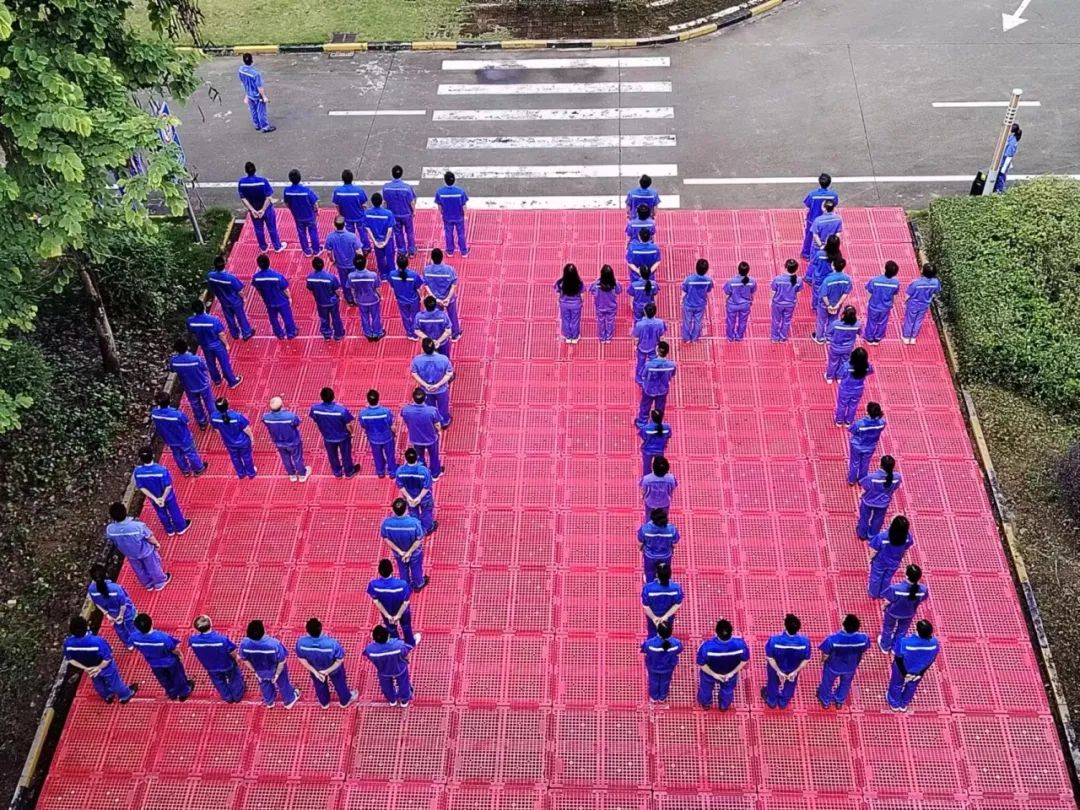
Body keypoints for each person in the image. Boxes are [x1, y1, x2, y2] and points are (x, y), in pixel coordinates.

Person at [63, 615, 137, 704]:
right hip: (104, 666)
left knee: (98, 683)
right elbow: (107, 658)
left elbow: (70, 659)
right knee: (114, 682)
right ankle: (125, 695)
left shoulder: (68, 643)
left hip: (89, 667)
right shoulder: (97, 641)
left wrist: (86, 668)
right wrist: (98, 668)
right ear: (86, 627)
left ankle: (107, 696)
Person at [105, 501, 170, 590]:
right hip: (145, 551)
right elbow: (149, 536)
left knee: (139, 570)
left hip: (129, 554)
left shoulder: (110, 529)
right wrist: (156, 543)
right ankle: (160, 582)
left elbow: (112, 540)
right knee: (153, 566)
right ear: (125, 512)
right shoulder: (138, 526)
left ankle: (148, 584)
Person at [130, 613, 194, 701]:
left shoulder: (134, 637)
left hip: (154, 663)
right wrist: (180, 654)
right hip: (170, 662)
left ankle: (172, 693)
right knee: (178, 676)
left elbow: (136, 646)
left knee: (164, 679)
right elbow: (173, 648)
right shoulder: (162, 637)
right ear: (151, 622)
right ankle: (184, 692)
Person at [295, 618, 357, 709]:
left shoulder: (301, 643)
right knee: (340, 684)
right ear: (321, 629)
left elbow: (301, 658)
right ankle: (345, 701)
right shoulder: (332, 644)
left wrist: (315, 672)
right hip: (333, 669)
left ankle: (324, 703)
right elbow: (339, 660)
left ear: (307, 632)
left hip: (315, 669)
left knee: (319, 685)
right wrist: (327, 671)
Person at [239, 620, 300, 709]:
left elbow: (244, 659)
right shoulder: (274, 644)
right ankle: (289, 700)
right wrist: (277, 674)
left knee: (264, 684)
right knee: (283, 683)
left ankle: (269, 702)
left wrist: (255, 671)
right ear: (264, 630)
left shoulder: (244, 644)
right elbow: (282, 660)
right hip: (275, 669)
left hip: (260, 670)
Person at [133, 446, 190, 536]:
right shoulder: (161, 470)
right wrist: (163, 498)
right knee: (174, 510)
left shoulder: (138, 472)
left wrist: (155, 499)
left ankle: (169, 530)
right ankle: (181, 527)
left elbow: (142, 487)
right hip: (168, 496)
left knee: (161, 513)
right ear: (153, 455)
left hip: (154, 498)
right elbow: (168, 486)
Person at [188, 614, 246, 703]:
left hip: (210, 666)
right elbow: (231, 651)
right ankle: (237, 695)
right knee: (234, 678)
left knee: (218, 681)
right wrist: (236, 658)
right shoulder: (221, 639)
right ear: (211, 624)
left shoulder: (193, 640)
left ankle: (227, 697)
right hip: (227, 664)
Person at [816, 614, 869, 709]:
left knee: (827, 683)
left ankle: (825, 701)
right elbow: (863, 653)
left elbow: (825, 655)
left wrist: (822, 661)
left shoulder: (832, 639)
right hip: (850, 667)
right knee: (845, 684)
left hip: (833, 666)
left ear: (843, 625)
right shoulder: (863, 639)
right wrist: (856, 663)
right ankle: (839, 701)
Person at [697, 619, 750, 711]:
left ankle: (706, 704)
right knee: (727, 691)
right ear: (731, 631)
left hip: (709, 674)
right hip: (729, 674)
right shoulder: (741, 644)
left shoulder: (707, 647)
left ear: (716, 632)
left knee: (706, 689)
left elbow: (702, 664)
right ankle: (724, 706)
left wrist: (714, 675)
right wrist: (732, 673)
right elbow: (744, 660)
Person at [887, 619, 940, 711]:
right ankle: (904, 704)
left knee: (896, 684)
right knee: (912, 686)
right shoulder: (935, 644)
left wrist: (905, 674)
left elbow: (898, 658)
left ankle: (894, 703)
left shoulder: (904, 642)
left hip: (902, 669)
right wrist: (921, 673)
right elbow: (931, 660)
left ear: (917, 630)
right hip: (918, 670)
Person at [187, 300, 241, 388]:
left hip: (205, 345)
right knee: (224, 363)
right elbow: (221, 334)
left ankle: (217, 380)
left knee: (210, 363)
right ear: (204, 307)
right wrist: (226, 344)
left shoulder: (190, 321)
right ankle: (232, 381)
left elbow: (192, 333)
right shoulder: (213, 320)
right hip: (217, 344)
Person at [761, 613, 811, 710]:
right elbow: (806, 659)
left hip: (776, 667)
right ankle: (783, 703)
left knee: (773, 683)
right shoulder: (805, 642)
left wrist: (778, 671)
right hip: (793, 668)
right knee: (791, 684)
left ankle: (772, 701)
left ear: (785, 626)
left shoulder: (774, 640)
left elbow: (770, 658)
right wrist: (795, 672)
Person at [151, 391, 207, 476]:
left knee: (177, 454)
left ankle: (185, 471)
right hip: (183, 438)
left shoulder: (155, 413)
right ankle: (199, 468)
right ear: (169, 401)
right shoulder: (176, 414)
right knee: (190, 453)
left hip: (170, 439)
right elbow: (185, 420)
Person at [368, 558, 420, 648]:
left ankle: (397, 645)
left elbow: (376, 601)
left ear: (379, 572)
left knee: (391, 629)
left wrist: (387, 615)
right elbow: (405, 602)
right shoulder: (402, 584)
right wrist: (398, 615)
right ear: (392, 571)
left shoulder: (373, 585)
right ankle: (410, 643)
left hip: (387, 610)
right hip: (403, 611)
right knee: (406, 626)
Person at [309, 387, 358, 479]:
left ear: (321, 397)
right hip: (343, 437)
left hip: (327, 437)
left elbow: (315, 419)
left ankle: (337, 473)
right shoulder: (341, 410)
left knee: (332, 455)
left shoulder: (315, 409)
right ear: (333, 396)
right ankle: (349, 472)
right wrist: (351, 433)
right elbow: (348, 424)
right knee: (346, 455)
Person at [879, 564, 929, 652]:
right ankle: (896, 648)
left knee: (888, 629)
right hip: (909, 613)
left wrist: (884, 606)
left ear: (906, 576)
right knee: (902, 631)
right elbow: (922, 599)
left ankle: (885, 646)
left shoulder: (896, 588)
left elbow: (889, 599)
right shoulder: (923, 589)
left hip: (892, 612)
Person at [237, 161, 286, 252]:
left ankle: (263, 247)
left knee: (258, 229)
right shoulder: (263, 181)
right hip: (266, 209)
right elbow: (268, 197)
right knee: (272, 228)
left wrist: (252, 210)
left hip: (254, 209)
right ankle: (277, 246)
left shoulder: (242, 182)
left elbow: (243, 198)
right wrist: (263, 209)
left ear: (246, 171)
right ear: (255, 170)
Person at [380, 498, 428, 590]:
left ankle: (405, 585)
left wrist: (400, 552)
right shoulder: (414, 523)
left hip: (399, 554)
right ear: (406, 509)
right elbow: (418, 539)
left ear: (393, 509)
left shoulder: (386, 523)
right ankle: (419, 584)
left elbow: (386, 538)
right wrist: (409, 552)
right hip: (414, 552)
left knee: (402, 569)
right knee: (416, 568)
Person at [168, 339, 215, 428]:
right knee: (209, 403)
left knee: (195, 404)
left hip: (189, 386)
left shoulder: (174, 361)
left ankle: (202, 422)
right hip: (202, 384)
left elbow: (172, 369)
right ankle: (214, 420)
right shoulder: (196, 359)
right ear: (187, 347)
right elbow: (204, 367)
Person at [261, 396, 311, 482]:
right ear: (282, 405)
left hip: (278, 442)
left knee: (285, 458)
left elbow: (265, 423)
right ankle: (302, 475)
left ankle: (292, 475)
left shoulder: (266, 417)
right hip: (293, 441)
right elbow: (297, 422)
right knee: (297, 458)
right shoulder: (290, 416)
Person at [88, 564, 136, 650]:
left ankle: (129, 645)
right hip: (126, 612)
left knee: (120, 629)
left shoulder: (91, 590)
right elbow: (123, 604)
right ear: (105, 574)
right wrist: (121, 615)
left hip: (112, 614)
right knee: (131, 625)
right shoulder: (115, 588)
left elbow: (97, 603)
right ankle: (137, 639)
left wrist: (107, 615)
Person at [363, 625, 413, 706]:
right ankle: (404, 700)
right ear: (388, 635)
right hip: (399, 669)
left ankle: (392, 700)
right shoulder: (398, 645)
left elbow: (367, 655)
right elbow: (405, 651)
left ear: (373, 638)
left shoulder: (370, 650)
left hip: (383, 671)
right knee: (403, 683)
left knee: (386, 686)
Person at [207, 255, 254, 340]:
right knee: (241, 317)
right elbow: (239, 290)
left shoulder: (211, 276)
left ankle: (234, 334)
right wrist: (244, 298)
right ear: (224, 264)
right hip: (235, 301)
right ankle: (246, 333)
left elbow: (211, 287)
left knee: (229, 318)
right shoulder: (230, 278)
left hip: (223, 301)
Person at [252, 254, 298, 339]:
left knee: (273, 318)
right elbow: (285, 289)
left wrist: (263, 297)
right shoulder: (277, 276)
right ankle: (291, 333)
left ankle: (279, 333)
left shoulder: (256, 277)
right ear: (269, 262)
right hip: (281, 300)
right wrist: (289, 297)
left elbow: (258, 289)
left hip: (268, 301)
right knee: (287, 316)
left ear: (258, 265)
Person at [868, 515, 915, 598]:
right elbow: (906, 548)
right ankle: (883, 593)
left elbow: (874, 550)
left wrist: (871, 558)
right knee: (887, 578)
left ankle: (873, 593)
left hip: (880, 561)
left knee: (876, 577)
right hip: (895, 562)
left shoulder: (882, 536)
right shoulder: (907, 537)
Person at [411, 338, 454, 428]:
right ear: (434, 346)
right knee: (443, 406)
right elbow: (449, 373)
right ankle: (444, 422)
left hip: (426, 390)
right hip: (441, 389)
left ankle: (434, 422)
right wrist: (438, 385)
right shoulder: (443, 359)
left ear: (423, 348)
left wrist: (425, 385)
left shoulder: (416, 360)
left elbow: (414, 373)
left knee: (430, 407)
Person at [857, 455, 903, 540]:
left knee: (864, 518)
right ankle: (872, 535)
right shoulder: (897, 477)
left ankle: (862, 534)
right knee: (878, 520)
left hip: (868, 501)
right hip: (883, 503)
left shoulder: (872, 477)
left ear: (881, 465)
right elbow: (895, 487)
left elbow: (864, 485)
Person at [401, 388, 443, 479]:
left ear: (413, 398)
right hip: (431, 438)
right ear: (425, 398)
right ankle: (435, 474)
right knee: (434, 456)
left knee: (419, 457)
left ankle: (423, 473)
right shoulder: (432, 411)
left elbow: (405, 420)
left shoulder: (406, 410)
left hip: (416, 439)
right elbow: (437, 425)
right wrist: (439, 432)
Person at [422, 249, 462, 342]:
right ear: (442, 258)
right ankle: (455, 334)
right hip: (449, 298)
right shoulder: (449, 270)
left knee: (437, 316)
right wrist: (448, 298)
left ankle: (440, 335)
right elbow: (453, 285)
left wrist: (435, 299)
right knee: (452, 315)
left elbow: (426, 285)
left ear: (432, 258)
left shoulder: (426, 270)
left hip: (435, 299)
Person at [211, 397, 257, 479]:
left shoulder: (214, 417)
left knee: (235, 458)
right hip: (243, 442)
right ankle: (251, 473)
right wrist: (251, 437)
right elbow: (246, 429)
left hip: (229, 442)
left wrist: (223, 438)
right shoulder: (237, 416)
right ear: (227, 405)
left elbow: (217, 430)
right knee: (246, 457)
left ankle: (241, 473)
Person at [396, 447, 437, 535]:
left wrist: (408, 497)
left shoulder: (400, 471)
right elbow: (427, 486)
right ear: (417, 457)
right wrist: (419, 497)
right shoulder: (424, 471)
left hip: (410, 497)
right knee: (426, 512)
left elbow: (400, 485)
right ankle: (428, 528)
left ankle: (416, 529)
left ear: (405, 458)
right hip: (425, 497)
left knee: (413, 512)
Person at [324, 216, 363, 305]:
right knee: (356, 280)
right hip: (353, 264)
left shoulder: (330, 237)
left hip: (341, 264)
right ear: (344, 224)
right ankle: (358, 297)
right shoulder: (352, 236)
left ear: (334, 225)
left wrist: (332, 260)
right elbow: (359, 252)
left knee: (344, 281)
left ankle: (349, 299)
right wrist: (361, 263)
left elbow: (329, 252)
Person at [813, 256, 853, 343]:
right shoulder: (847, 279)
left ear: (833, 266)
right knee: (833, 319)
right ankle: (829, 337)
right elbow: (845, 293)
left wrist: (828, 305)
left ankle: (819, 338)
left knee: (821, 320)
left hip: (825, 304)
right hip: (837, 304)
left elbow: (824, 295)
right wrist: (838, 305)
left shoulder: (827, 280)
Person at [641, 622, 683, 703]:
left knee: (653, 681)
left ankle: (654, 697)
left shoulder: (650, 643)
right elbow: (679, 650)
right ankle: (662, 697)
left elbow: (644, 649)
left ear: (658, 632)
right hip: (668, 667)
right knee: (665, 681)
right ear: (671, 632)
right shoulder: (677, 643)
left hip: (653, 667)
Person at [360, 389, 398, 478]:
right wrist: (394, 432)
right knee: (390, 454)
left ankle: (380, 472)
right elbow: (391, 425)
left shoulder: (363, 414)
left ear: (367, 400)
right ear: (378, 398)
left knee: (377, 455)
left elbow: (363, 425)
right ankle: (392, 472)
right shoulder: (385, 411)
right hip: (387, 437)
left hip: (373, 438)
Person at [306, 256, 346, 341]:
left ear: (313, 266)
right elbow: (337, 290)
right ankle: (338, 335)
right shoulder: (330, 277)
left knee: (324, 318)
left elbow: (310, 290)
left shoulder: (310, 277)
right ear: (323, 265)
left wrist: (317, 296)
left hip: (320, 302)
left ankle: (327, 335)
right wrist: (339, 297)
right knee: (336, 317)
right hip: (332, 301)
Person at [283, 168, 321, 256]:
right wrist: (316, 210)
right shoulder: (306, 190)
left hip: (298, 216)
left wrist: (292, 210)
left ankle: (306, 251)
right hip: (309, 215)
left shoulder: (287, 191)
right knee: (313, 232)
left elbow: (287, 203)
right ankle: (316, 250)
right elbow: (314, 203)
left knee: (301, 233)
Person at [637, 341, 676, 428]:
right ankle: (656, 423)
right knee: (660, 408)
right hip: (663, 389)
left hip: (649, 389)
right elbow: (672, 374)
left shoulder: (649, 365)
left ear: (657, 350)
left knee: (645, 406)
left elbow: (643, 375)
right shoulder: (672, 365)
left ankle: (642, 423)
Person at [847, 401, 886, 485]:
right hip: (870, 446)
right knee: (865, 463)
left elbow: (851, 430)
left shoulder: (860, 423)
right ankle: (862, 480)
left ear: (868, 412)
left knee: (854, 463)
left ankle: (851, 480)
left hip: (857, 446)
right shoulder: (882, 422)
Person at [801, 172, 838, 259]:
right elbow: (835, 204)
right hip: (827, 219)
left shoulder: (812, 195)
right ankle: (826, 252)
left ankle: (806, 253)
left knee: (810, 236)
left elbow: (807, 204)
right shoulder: (833, 195)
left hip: (813, 219)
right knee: (826, 236)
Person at [901, 263, 941, 344]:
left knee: (910, 320)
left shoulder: (916, 283)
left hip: (913, 304)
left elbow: (908, 294)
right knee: (918, 320)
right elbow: (936, 292)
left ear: (922, 271)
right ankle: (913, 338)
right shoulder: (936, 282)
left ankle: (906, 337)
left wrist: (904, 301)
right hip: (924, 305)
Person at [348, 254, 385, 341]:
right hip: (373, 299)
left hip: (361, 300)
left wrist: (354, 298)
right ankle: (377, 333)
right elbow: (377, 288)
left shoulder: (351, 276)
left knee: (364, 317)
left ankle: (368, 333)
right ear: (366, 262)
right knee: (375, 316)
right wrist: (381, 296)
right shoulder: (373, 275)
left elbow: (352, 289)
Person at [864, 260, 901, 344]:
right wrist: (892, 304)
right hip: (886, 307)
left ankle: (869, 337)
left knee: (871, 321)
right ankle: (878, 337)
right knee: (882, 322)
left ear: (884, 269)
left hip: (874, 306)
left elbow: (869, 292)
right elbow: (894, 295)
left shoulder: (875, 280)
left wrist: (867, 302)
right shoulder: (896, 283)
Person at [383, 165, 418, 256]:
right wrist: (414, 211)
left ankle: (401, 250)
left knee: (398, 233)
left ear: (392, 174)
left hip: (394, 214)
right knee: (409, 232)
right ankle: (411, 250)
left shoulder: (386, 187)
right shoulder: (407, 188)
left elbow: (385, 202)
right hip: (406, 214)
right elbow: (412, 202)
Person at [641, 562, 683, 636]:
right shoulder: (677, 588)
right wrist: (665, 617)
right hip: (668, 613)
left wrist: (654, 618)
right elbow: (677, 604)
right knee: (665, 630)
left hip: (653, 612)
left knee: (652, 630)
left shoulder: (648, 588)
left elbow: (646, 606)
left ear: (657, 575)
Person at [638, 507, 679, 582]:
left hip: (649, 555)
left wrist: (641, 549)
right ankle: (663, 581)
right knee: (664, 572)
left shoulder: (645, 529)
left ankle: (649, 583)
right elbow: (675, 542)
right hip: (666, 555)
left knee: (649, 571)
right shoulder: (672, 530)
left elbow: (640, 542)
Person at [835, 347, 874, 427]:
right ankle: (848, 421)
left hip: (845, 389)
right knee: (853, 405)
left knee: (842, 405)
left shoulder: (846, 366)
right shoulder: (867, 366)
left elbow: (839, 374)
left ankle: (839, 421)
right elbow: (871, 371)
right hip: (858, 390)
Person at [332, 169, 371, 249]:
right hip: (359, 216)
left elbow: (337, 205)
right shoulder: (359, 191)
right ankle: (366, 248)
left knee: (349, 234)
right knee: (363, 233)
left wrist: (340, 214)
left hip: (346, 216)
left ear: (342, 179)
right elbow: (363, 204)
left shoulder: (338, 191)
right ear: (352, 178)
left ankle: (352, 247)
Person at [434, 170, 469, 256]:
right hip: (459, 216)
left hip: (447, 217)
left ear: (445, 180)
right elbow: (464, 205)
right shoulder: (460, 192)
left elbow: (439, 206)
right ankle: (463, 251)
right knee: (461, 233)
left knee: (448, 233)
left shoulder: (440, 192)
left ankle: (450, 251)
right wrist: (465, 215)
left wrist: (441, 213)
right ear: (454, 180)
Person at [237, 53, 274, 132]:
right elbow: (259, 87)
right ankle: (265, 127)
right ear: (252, 60)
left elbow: (243, 82)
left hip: (249, 93)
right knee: (261, 111)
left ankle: (257, 125)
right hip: (257, 95)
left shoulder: (241, 70)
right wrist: (264, 97)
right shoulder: (256, 73)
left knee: (253, 110)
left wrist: (246, 94)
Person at [825, 305, 862, 383]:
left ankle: (829, 377)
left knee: (833, 362)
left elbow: (828, 333)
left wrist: (832, 341)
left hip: (835, 347)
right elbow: (860, 333)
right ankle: (840, 377)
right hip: (848, 348)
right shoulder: (857, 324)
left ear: (843, 314)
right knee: (844, 362)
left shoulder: (836, 324)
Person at [365, 192, 398, 278]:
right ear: (382, 201)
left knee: (380, 258)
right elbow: (390, 229)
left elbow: (367, 228)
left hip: (377, 240)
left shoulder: (367, 213)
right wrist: (386, 241)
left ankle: (383, 275)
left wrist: (374, 241)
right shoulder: (388, 213)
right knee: (390, 257)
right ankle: (392, 274)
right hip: (388, 240)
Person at [389, 254, 424, 336]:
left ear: (397, 264)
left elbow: (392, 286)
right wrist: (422, 297)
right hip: (413, 300)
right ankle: (416, 333)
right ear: (407, 263)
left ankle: (409, 333)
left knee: (405, 317)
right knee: (415, 316)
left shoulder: (392, 274)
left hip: (401, 300)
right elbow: (418, 288)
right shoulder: (413, 275)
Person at [632, 302, 666, 384]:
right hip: (654, 347)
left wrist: (635, 346)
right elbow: (662, 336)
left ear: (645, 312)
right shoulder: (660, 323)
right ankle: (652, 378)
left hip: (642, 347)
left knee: (640, 363)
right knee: (654, 363)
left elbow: (636, 337)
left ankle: (639, 379)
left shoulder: (639, 324)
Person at [722, 262, 757, 341]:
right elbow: (752, 292)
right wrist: (751, 301)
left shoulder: (731, 281)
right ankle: (739, 337)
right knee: (743, 321)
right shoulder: (752, 281)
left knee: (731, 321)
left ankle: (730, 337)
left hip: (732, 305)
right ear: (748, 271)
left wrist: (726, 302)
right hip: (745, 305)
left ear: (738, 270)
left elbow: (727, 293)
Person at [770, 258, 803, 342]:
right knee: (786, 321)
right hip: (790, 304)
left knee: (776, 320)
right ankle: (783, 337)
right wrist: (796, 302)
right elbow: (798, 293)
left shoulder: (778, 279)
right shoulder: (799, 280)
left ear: (785, 267)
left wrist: (771, 301)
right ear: (796, 269)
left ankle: (774, 338)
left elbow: (773, 292)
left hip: (778, 303)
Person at [806, 234, 842, 312]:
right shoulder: (838, 256)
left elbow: (814, 263)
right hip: (830, 278)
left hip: (819, 277)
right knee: (827, 293)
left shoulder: (820, 254)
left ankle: (815, 308)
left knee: (816, 293)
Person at [681, 258, 714, 342]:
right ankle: (695, 338)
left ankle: (686, 338)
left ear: (696, 267)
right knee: (698, 322)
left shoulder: (689, 279)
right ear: (706, 270)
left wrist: (682, 299)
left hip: (689, 304)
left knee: (687, 321)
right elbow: (709, 290)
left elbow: (684, 289)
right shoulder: (709, 280)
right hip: (700, 305)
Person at [589, 264, 622, 343]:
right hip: (611, 307)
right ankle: (608, 338)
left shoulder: (596, 284)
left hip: (600, 306)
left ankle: (602, 338)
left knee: (601, 321)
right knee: (610, 322)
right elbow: (619, 291)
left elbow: (592, 291)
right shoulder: (615, 284)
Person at [554, 263, 585, 344]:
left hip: (564, 304)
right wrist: (582, 302)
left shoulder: (560, 282)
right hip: (576, 304)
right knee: (575, 320)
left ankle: (568, 337)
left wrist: (559, 302)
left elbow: (558, 293)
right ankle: (574, 337)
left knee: (565, 320)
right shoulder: (579, 283)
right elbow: (582, 294)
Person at [641, 455, 678, 522]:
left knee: (649, 516)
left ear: (653, 467)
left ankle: (649, 525)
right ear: (667, 467)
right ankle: (662, 524)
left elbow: (644, 488)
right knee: (664, 516)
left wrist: (643, 496)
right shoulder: (671, 478)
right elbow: (673, 487)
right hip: (665, 501)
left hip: (650, 502)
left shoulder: (647, 478)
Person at [638, 409, 672, 477]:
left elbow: (643, 437)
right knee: (659, 466)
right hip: (660, 450)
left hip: (647, 450)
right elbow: (669, 436)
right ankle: (659, 478)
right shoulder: (667, 427)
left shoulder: (646, 428)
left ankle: (647, 479)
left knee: (647, 467)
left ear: (651, 417)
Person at [993, 123, 1022, 193]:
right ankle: (998, 187)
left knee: (1001, 173)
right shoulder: (1013, 138)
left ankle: (1000, 189)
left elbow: (1008, 155)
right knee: (1001, 173)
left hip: (1006, 160)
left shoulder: (1012, 142)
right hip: (1006, 159)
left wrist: (1001, 162)